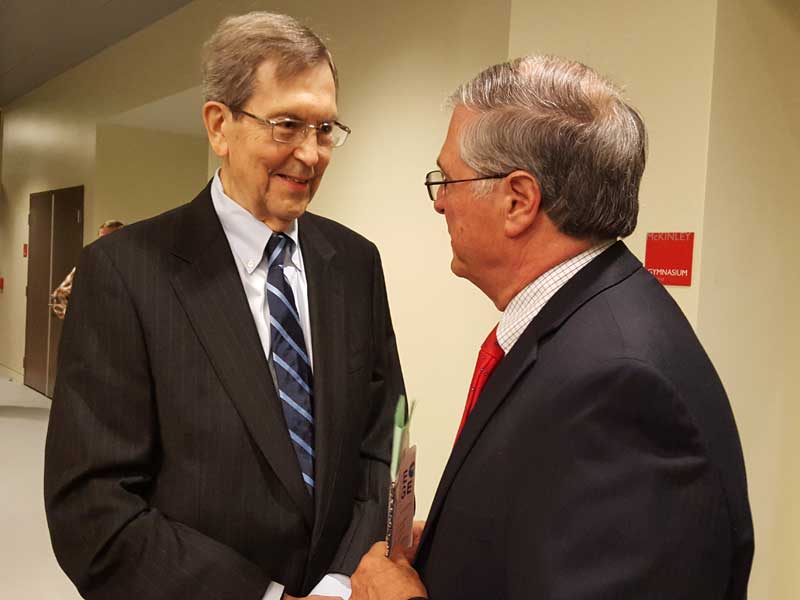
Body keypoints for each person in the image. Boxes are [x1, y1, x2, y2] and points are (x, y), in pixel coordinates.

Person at [351, 55, 753, 600]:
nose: (440, 201)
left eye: (448, 179)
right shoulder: (582, 324)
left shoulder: (618, 385)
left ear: (518, 200)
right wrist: (454, 549)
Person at [44, 12, 403, 600]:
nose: (310, 154)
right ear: (219, 125)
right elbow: (92, 506)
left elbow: (376, 440)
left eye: (325, 129)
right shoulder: (126, 272)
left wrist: (342, 581)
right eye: (286, 125)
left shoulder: (354, 263)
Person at [50, 219, 124, 319]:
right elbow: (59, 296)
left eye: (110, 239)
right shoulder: (90, 264)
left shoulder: (137, 265)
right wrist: (79, 321)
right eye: (101, 240)